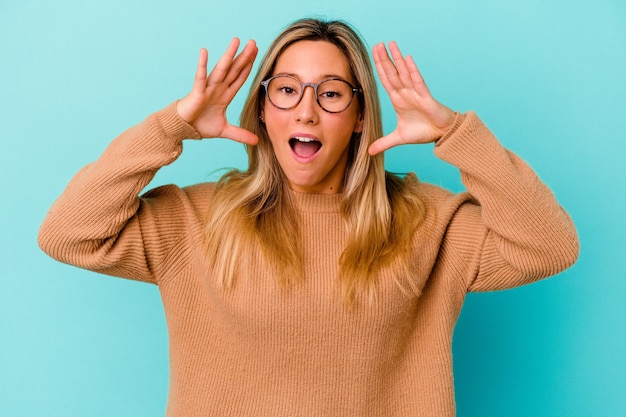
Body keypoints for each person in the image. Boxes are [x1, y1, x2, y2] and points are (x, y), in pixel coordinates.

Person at [38, 18, 579, 417]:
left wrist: (457, 134)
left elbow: (549, 247)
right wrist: (170, 127)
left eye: (331, 93)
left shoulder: (426, 223)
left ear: (362, 114)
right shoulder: (193, 220)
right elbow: (68, 234)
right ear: (264, 108)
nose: (306, 110)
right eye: (288, 89)